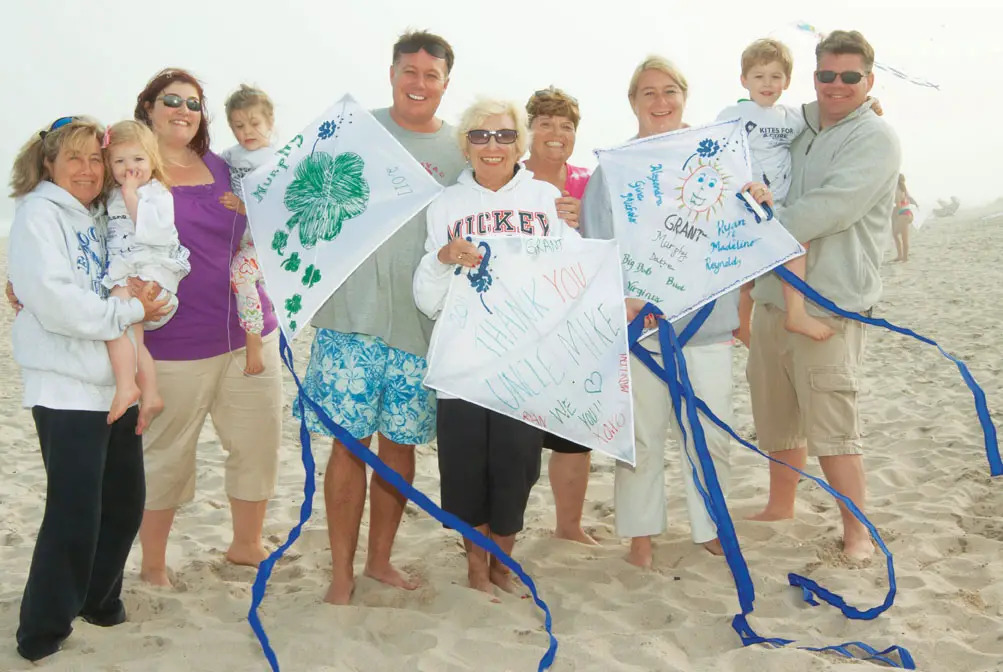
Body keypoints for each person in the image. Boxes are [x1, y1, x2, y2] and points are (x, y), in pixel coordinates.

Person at [296, 30, 468, 604]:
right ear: (392, 73)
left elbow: (500, 199)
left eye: (431, 75)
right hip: (350, 318)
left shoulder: (460, 148)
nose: (419, 83)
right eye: (409, 71)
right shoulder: (354, 130)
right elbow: (294, 197)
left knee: (399, 447)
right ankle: (340, 573)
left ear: (446, 83)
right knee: (349, 445)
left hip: (420, 323)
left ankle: (378, 562)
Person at [581, 56, 763, 567]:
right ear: (633, 101)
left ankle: (710, 528)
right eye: (648, 93)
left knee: (710, 433)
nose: (660, 102)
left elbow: (746, 233)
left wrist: (757, 199)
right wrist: (623, 302)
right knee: (641, 438)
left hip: (705, 325)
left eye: (669, 92)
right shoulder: (612, 169)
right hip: (640, 330)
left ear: (685, 97)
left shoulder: (722, 164)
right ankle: (641, 535)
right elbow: (595, 247)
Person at [8, 116, 167, 661]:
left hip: (109, 385)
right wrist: (128, 309)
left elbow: (134, 289)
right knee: (74, 510)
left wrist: (152, 303)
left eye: (94, 158)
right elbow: (53, 301)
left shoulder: (101, 216)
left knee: (124, 503)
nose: (86, 168)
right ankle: (42, 632)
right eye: (72, 158)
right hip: (65, 387)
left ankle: (99, 602)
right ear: (48, 163)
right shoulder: (37, 215)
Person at [413, 98, 581, 595]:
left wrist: (572, 230)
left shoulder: (545, 199)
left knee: (515, 469)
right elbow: (426, 299)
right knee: (465, 471)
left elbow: (569, 280)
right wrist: (443, 257)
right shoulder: (445, 205)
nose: (493, 146)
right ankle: (474, 566)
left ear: (519, 145)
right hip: (463, 362)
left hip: (524, 365)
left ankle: (502, 564)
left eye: (505, 136)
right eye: (481, 136)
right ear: (465, 145)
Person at [745, 31, 901, 560]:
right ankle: (779, 505)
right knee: (779, 414)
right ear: (813, 77)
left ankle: (857, 532)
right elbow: (744, 144)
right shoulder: (794, 125)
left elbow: (830, 207)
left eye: (850, 77)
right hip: (771, 295)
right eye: (827, 75)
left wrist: (755, 230)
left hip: (829, 304)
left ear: (869, 81)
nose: (837, 85)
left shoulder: (875, 137)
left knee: (834, 426)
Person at [134, 68, 283, 586]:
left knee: (257, 443)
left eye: (193, 103)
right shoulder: (134, 172)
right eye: (170, 100)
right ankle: (153, 566)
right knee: (166, 457)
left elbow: (279, 221)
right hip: (175, 343)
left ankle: (246, 546)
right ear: (148, 108)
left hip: (251, 335)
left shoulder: (229, 168)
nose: (182, 110)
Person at [522, 85, 596, 544]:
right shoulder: (507, 176)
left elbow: (615, 236)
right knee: (519, 436)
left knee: (574, 432)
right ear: (529, 129)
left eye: (566, 126)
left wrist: (585, 218)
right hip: (520, 325)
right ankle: (507, 526)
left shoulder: (589, 182)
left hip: (577, 324)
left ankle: (569, 527)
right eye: (545, 123)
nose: (555, 133)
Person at [101, 120, 191, 429]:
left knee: (114, 318)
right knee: (133, 337)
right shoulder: (111, 196)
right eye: (120, 161)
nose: (130, 168)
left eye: (138, 159)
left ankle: (127, 385)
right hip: (132, 277)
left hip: (153, 280)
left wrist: (130, 193)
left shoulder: (157, 193)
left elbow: (154, 232)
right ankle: (150, 393)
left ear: (153, 159)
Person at [219, 84, 277, 375]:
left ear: (270, 122)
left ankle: (253, 338)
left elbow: (282, 207)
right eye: (239, 126)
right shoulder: (231, 156)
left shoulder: (278, 160)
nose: (247, 131)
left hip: (269, 242)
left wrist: (244, 208)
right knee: (246, 280)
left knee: (242, 272)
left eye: (255, 123)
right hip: (242, 240)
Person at [892, 173, 917, 262]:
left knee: (903, 237)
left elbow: (898, 206)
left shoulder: (897, 191)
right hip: (908, 213)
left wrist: (895, 213)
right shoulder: (904, 189)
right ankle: (901, 256)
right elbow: (911, 200)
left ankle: (904, 258)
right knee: (896, 234)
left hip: (903, 214)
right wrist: (916, 205)